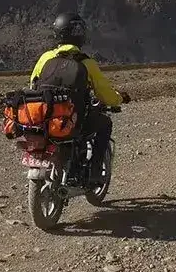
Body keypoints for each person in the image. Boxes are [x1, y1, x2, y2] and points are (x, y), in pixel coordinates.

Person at [29, 13, 131, 182]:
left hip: (43, 118)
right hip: (72, 120)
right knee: (105, 123)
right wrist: (119, 99)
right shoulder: (86, 63)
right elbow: (104, 93)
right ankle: (95, 170)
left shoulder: (45, 58)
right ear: (79, 35)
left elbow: (33, 85)